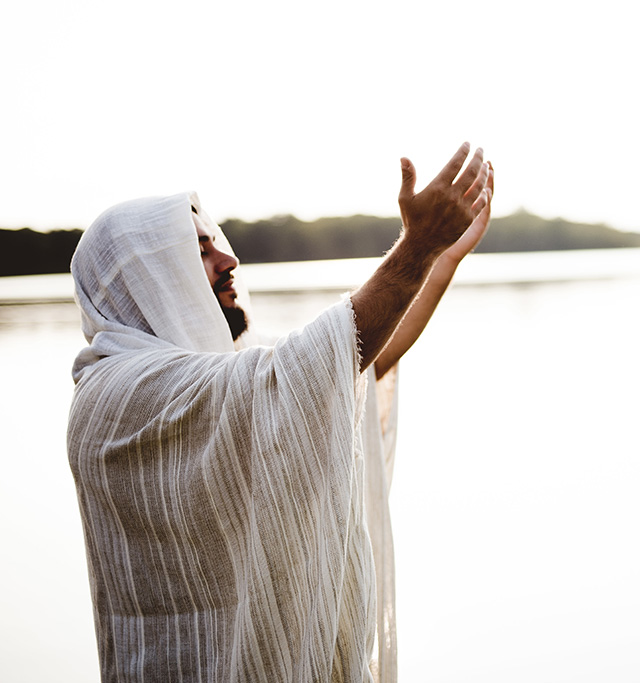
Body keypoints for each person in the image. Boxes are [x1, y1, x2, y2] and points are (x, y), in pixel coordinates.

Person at [66, 143, 494, 682]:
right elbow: (316, 365)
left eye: (217, 243)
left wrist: (437, 257)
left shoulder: (222, 377)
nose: (229, 261)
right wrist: (416, 247)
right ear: (147, 278)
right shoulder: (117, 395)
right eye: (198, 251)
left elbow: (356, 362)